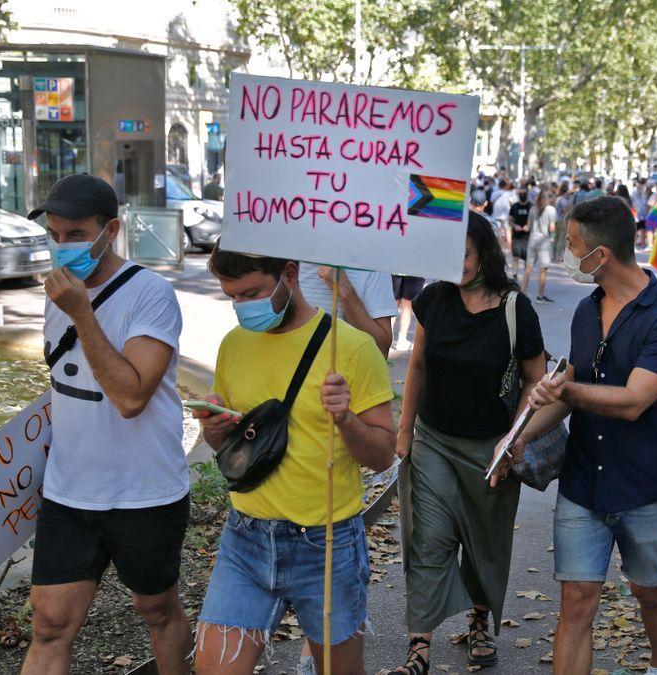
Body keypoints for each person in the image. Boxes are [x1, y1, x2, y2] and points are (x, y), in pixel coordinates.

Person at [494, 196, 657, 675]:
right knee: (577, 601)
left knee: (649, 591)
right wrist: (517, 434)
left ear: (600, 256)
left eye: (573, 244)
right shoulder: (587, 310)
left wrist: (565, 388)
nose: (567, 252)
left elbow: (632, 401)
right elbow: (567, 392)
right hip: (583, 483)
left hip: (642, 485)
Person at [192, 250, 396, 675]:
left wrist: (345, 420)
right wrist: (214, 430)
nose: (241, 307)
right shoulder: (234, 344)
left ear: (289, 274)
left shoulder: (354, 348)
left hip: (326, 544)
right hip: (245, 538)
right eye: (232, 297)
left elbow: (381, 455)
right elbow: (234, 446)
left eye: (251, 293)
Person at [22, 174, 191, 674]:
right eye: (55, 234)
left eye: (76, 235)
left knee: (156, 610)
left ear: (110, 229)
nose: (62, 246)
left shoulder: (152, 295)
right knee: (50, 624)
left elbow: (130, 396)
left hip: (143, 493)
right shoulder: (60, 296)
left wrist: (82, 314)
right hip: (69, 493)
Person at [391, 212, 547, 675]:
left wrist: (512, 441)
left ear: (484, 252)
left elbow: (535, 382)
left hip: (490, 449)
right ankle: (418, 646)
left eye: (462, 254)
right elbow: (417, 367)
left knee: (484, 545)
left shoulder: (516, 308)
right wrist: (404, 431)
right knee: (428, 541)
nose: (453, 264)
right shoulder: (434, 300)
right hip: (434, 442)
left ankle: (480, 618)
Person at [297, 264, 397, 357]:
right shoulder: (285, 254)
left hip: (345, 372)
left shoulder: (372, 261)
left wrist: (345, 291)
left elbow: (381, 351)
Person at [526, 186, 557, 303]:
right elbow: (552, 227)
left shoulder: (533, 209)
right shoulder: (551, 210)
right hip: (544, 241)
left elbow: (528, 226)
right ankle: (540, 295)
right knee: (543, 269)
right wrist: (553, 239)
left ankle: (523, 293)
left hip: (532, 239)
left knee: (528, 267)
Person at [392, 275, 426, 351]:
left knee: (393, 302)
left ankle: (388, 336)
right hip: (414, 270)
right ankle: (401, 340)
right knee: (407, 304)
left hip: (395, 269)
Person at [509, 189, 533, 281]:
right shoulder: (514, 206)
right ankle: (514, 277)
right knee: (515, 257)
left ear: (527, 194)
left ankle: (525, 279)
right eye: (520, 194)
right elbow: (510, 220)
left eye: (524, 193)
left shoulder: (531, 207)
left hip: (528, 237)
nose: (522, 195)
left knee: (527, 259)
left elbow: (535, 221)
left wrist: (529, 226)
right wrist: (514, 226)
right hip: (516, 237)